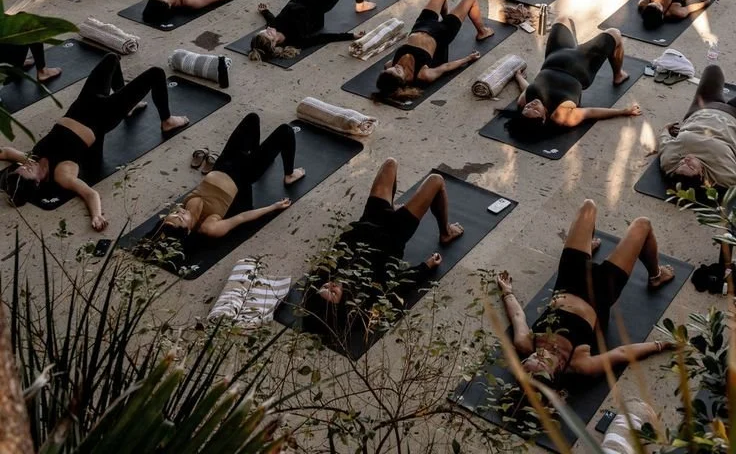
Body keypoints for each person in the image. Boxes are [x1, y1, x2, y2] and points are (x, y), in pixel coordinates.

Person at [498, 198, 675, 386]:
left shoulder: (525, 343)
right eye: (542, 363)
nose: (539, 355)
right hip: (600, 292)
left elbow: (518, 316)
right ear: (554, 372)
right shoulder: (580, 364)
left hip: (568, 281)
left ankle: (587, 249)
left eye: (532, 359)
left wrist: (507, 292)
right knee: (643, 224)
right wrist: (660, 345)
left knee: (588, 207)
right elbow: (622, 353)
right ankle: (656, 275)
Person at [0, 53, 188, 229]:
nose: (24, 167)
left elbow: (6, 152)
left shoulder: (30, 159)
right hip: (104, 115)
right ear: (37, 183)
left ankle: (128, 106)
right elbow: (90, 193)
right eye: (26, 172)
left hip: (84, 103)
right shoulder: (62, 174)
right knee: (156, 73)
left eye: (20, 168)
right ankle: (167, 121)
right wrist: (96, 215)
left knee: (111, 58)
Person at [304, 158, 463, 333]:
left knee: (390, 164)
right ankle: (446, 233)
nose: (331, 285)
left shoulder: (323, 273)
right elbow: (397, 287)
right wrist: (426, 266)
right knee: (436, 180)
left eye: (325, 287)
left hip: (369, 220)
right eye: (333, 293)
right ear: (341, 305)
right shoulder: (365, 294)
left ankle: (390, 207)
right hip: (394, 232)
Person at [157, 113, 304, 244]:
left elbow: (160, 232)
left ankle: (259, 155)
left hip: (222, 164)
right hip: (243, 174)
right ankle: (289, 175)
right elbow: (241, 218)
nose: (180, 213)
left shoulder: (182, 210)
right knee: (286, 131)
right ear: (188, 231)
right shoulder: (209, 227)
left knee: (252, 119)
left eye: (175, 214)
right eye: (181, 219)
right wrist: (274, 207)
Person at [512, 17, 640, 131]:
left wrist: (518, 77)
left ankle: (576, 46)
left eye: (527, 109)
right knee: (615, 33)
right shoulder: (561, 116)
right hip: (582, 64)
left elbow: (527, 87)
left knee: (562, 19)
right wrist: (623, 111)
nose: (531, 105)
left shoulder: (523, 101)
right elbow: (591, 112)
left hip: (556, 54)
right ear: (544, 118)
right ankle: (618, 75)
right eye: (535, 110)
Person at [374, 0, 493, 102]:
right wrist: (468, 58)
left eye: (393, 68)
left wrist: (391, 72)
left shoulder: (389, 66)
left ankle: (449, 17)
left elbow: (389, 69)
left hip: (421, 24)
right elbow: (445, 67)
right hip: (442, 32)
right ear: (403, 81)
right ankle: (482, 31)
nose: (396, 66)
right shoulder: (423, 74)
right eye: (398, 71)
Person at [658, 63, 736, 189]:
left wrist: (666, 129)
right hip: (733, 117)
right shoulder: (725, 176)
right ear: (701, 174)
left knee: (713, 69)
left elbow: (664, 142)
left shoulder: (669, 163)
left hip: (702, 109)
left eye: (681, 164)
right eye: (690, 166)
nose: (685, 160)